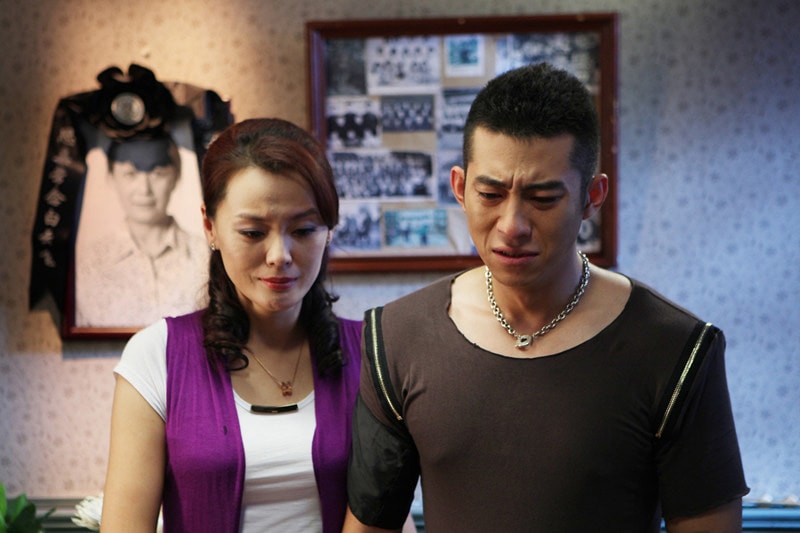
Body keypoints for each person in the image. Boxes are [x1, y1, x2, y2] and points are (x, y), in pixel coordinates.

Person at [343, 63, 749, 532]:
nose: (512, 225)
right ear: (459, 188)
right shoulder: (398, 337)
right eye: (490, 194)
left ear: (592, 196)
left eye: (543, 198)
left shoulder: (675, 349)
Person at [100, 118, 416, 532]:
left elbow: (392, 518)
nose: (279, 255)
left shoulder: (374, 354)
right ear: (210, 227)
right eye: (252, 232)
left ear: (329, 231)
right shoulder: (156, 356)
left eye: (303, 230)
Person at [75, 133, 208, 327]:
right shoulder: (91, 264)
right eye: (131, 174)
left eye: (158, 173)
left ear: (176, 176)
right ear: (111, 177)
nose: (144, 189)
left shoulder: (206, 257)